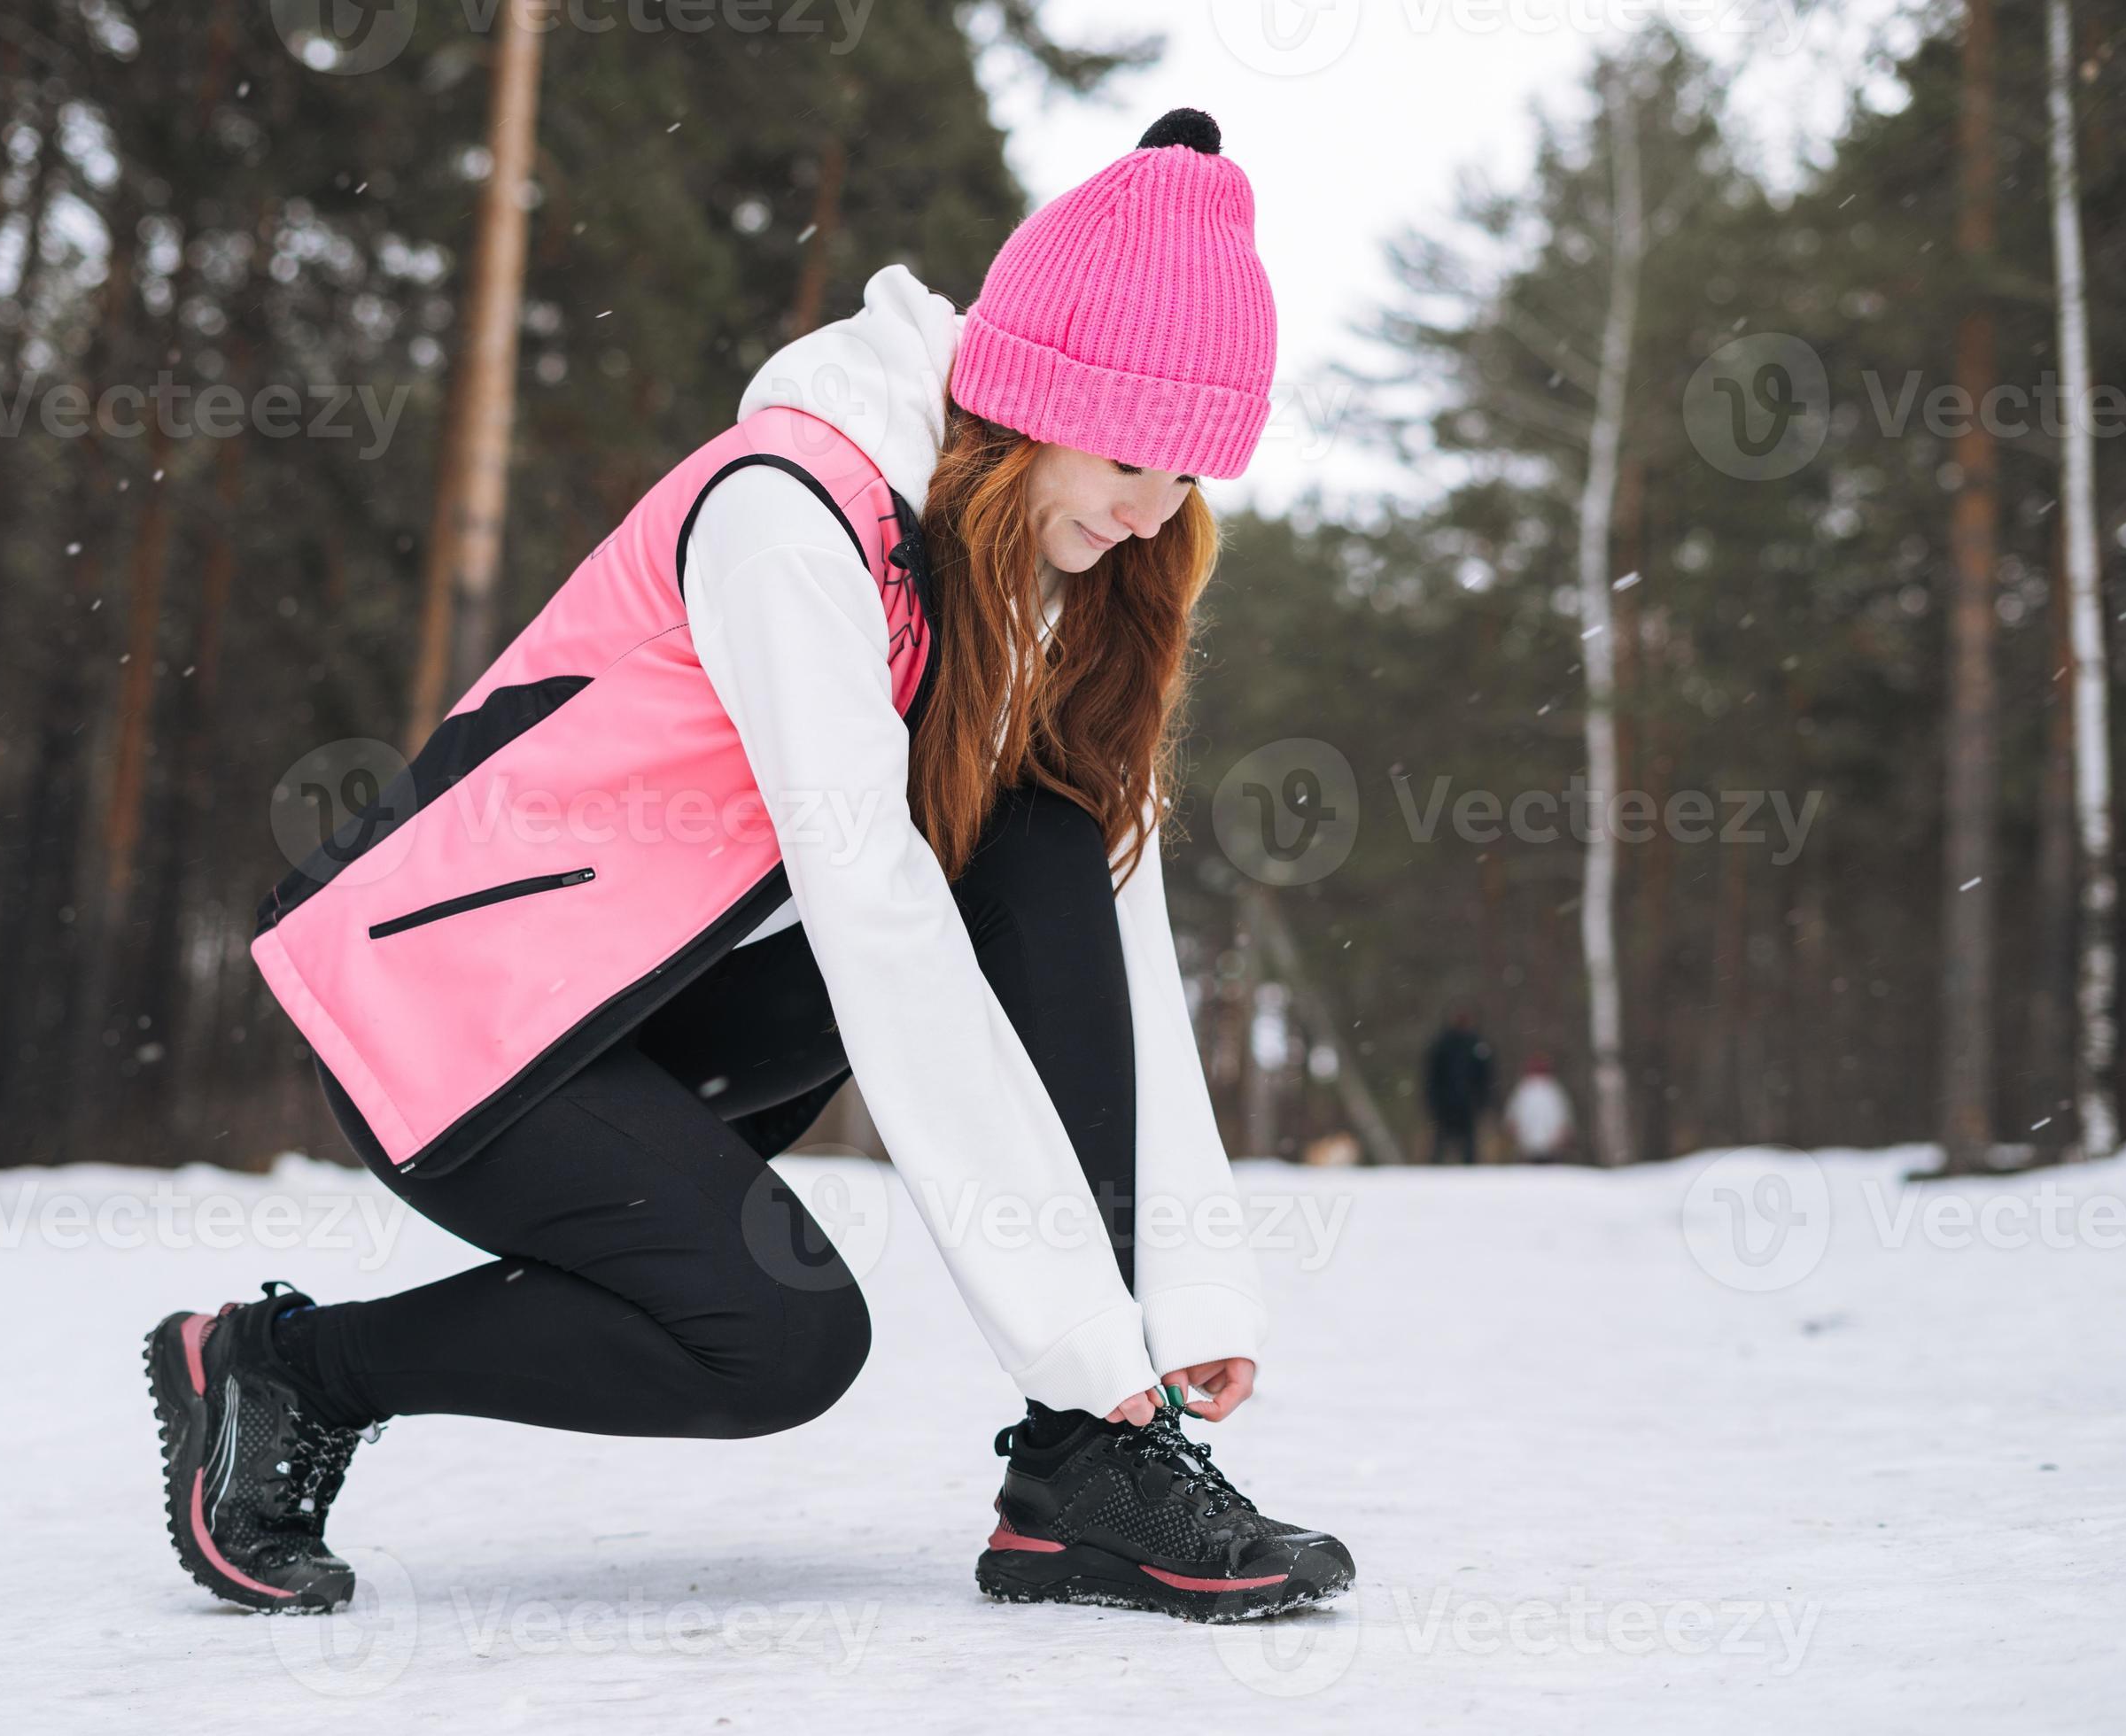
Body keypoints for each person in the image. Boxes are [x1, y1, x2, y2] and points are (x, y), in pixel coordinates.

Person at [141, 109, 1353, 1625]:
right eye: (1126, 461)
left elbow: (1109, 927)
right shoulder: (790, 515)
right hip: (461, 1029)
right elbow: (881, 925)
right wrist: (1081, 1336)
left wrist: (1176, 1305)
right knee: (778, 1343)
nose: (1149, 515)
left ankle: (1084, 1480)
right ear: (1028, 402)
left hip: (635, 1013)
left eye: (1188, 482)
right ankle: (286, 1371)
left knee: (1044, 831)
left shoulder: (1014, 560)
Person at [1423, 1008, 1494, 1166]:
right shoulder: (1443, 1044)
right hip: (1445, 1103)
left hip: (1468, 1103)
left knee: (1469, 1145)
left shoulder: (1477, 1046)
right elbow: (1433, 1075)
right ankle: (1434, 1172)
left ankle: (1469, 1173)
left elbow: (1485, 1077)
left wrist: (1482, 1101)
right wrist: (1434, 1100)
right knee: (1441, 1143)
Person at [1502, 1051, 1576, 1163]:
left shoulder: (1527, 1089)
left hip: (1541, 1145)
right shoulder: (1551, 1090)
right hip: (1535, 1145)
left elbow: (1513, 1115)